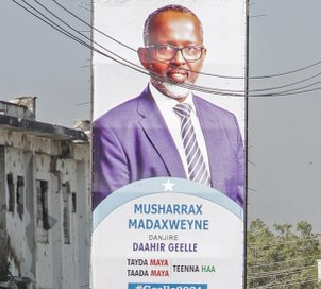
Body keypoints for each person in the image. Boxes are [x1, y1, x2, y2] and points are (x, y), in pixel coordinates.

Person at [92, 4, 244, 208]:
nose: (179, 60)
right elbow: (113, 217)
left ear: (203, 56)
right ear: (144, 57)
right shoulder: (114, 128)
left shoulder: (225, 123)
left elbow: (238, 209)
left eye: (190, 49)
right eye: (166, 49)